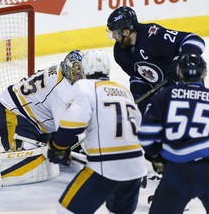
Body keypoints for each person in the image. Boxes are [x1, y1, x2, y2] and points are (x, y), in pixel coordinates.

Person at [47, 49, 147, 213]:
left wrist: (58, 146)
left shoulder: (84, 86)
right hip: (136, 167)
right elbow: (138, 126)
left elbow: (72, 124)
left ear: (85, 68)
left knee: (65, 209)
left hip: (105, 166)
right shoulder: (124, 91)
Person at [138, 53, 209, 214]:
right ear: (204, 73)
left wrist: (156, 157)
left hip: (177, 171)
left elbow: (146, 134)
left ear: (179, 72)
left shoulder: (164, 96)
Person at [106, 6, 206, 114]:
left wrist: (180, 62)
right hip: (166, 96)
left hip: (190, 89)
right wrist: (139, 92)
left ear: (126, 31)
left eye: (115, 33)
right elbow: (139, 76)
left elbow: (195, 40)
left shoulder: (153, 36)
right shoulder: (120, 54)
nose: (113, 37)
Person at [0, 50, 85, 151]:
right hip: (13, 114)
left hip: (36, 123)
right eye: (77, 74)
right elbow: (65, 131)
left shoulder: (61, 69)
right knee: (27, 161)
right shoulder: (60, 90)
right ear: (69, 70)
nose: (81, 78)